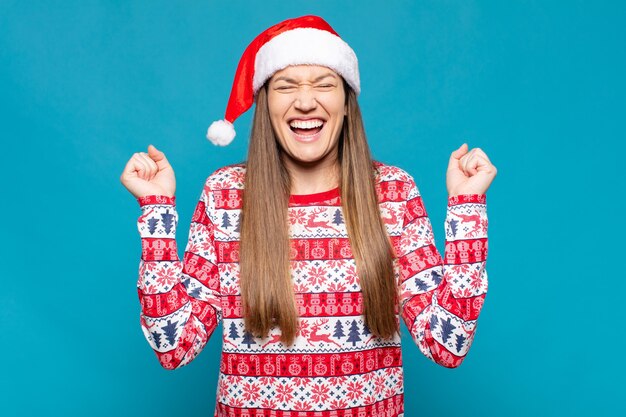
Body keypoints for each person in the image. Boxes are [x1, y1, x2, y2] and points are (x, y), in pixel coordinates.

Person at [120, 15, 496, 417]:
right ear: (264, 105)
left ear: (347, 103)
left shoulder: (393, 193)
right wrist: (157, 212)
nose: (304, 101)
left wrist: (467, 209)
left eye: (324, 84)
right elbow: (173, 345)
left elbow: (449, 342)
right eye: (286, 85)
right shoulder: (224, 195)